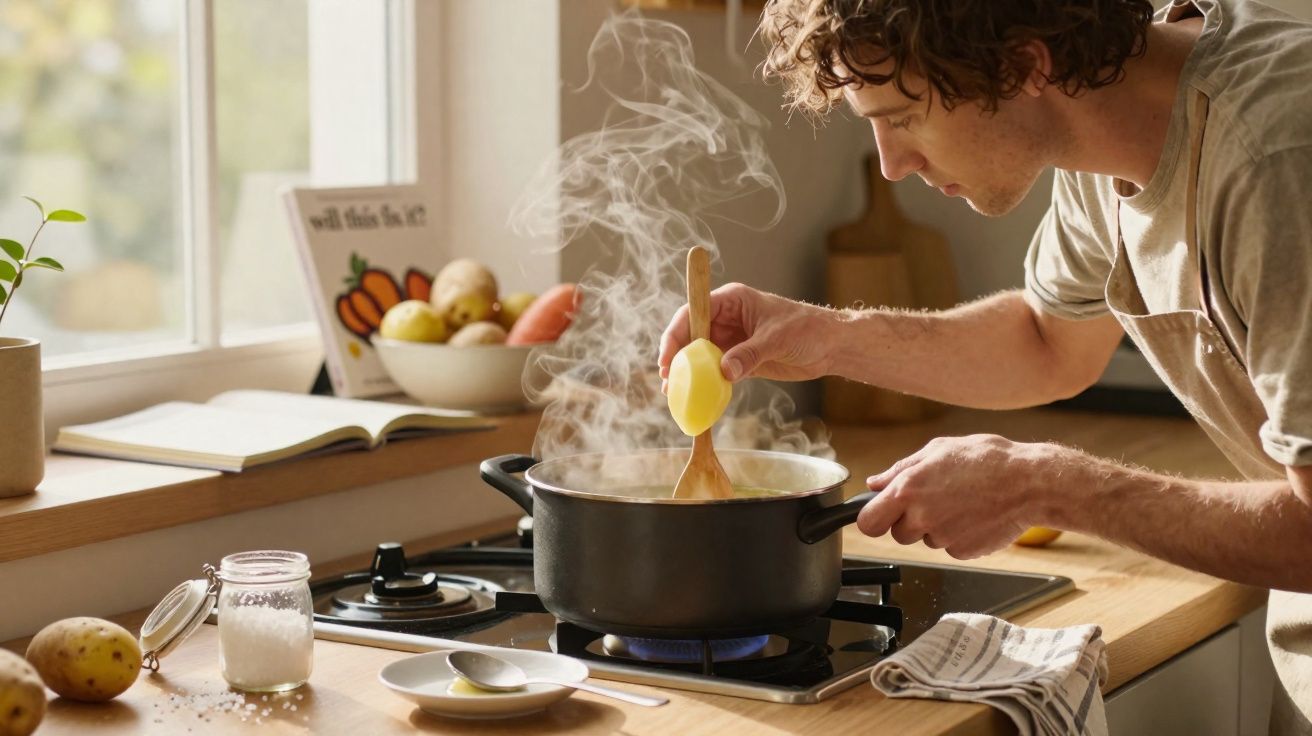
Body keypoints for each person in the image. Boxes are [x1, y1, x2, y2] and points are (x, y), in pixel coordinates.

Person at [657, 0, 1312, 729]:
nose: (892, 164)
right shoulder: (1103, 124)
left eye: (903, 117)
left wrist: (1046, 486)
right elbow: (1045, 343)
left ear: (1026, 65)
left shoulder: (1278, 158)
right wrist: (822, 336)